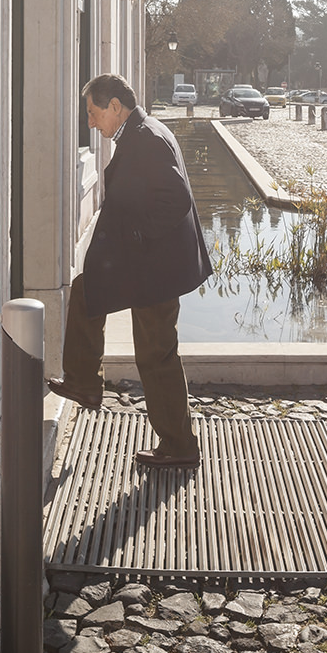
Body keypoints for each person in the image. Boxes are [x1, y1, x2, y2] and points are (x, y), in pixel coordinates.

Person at [48, 74, 211, 468]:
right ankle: (85, 383)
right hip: (148, 261)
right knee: (88, 292)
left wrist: (137, 233)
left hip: (156, 267)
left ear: (115, 107)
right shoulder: (142, 131)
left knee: (156, 354)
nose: (90, 122)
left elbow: (176, 200)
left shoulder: (146, 139)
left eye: (93, 112)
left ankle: (180, 445)